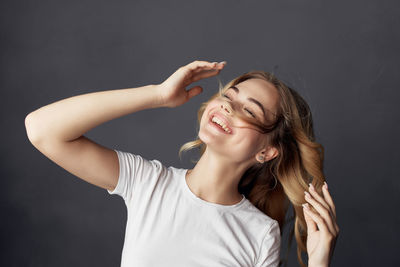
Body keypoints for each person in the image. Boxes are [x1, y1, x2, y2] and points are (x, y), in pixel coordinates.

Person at [25, 60, 339, 267]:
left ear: (267, 152)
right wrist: (158, 94)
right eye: (229, 96)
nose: (229, 107)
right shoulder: (148, 182)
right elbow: (42, 130)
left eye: (250, 111)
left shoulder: (260, 234)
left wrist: (319, 260)